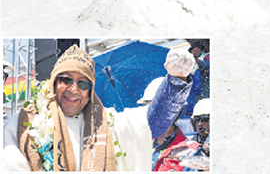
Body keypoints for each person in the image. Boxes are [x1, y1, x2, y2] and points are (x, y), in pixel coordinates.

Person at [3, 44, 195, 171]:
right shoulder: (24, 124)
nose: (74, 89)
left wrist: (176, 80)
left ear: (91, 90)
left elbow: (155, 122)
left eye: (83, 83)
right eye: (66, 80)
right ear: (54, 83)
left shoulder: (109, 122)